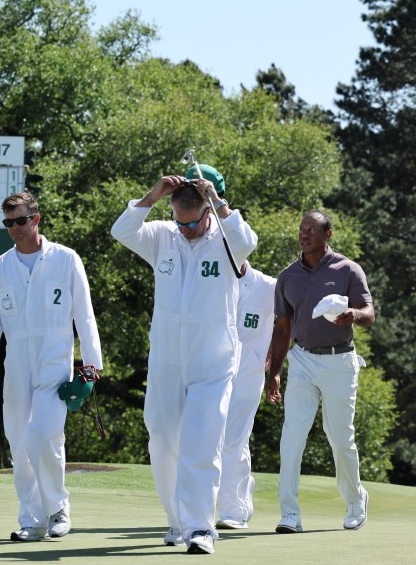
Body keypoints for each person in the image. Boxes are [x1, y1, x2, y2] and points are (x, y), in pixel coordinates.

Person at [110, 165, 257, 555]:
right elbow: (121, 231)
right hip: (167, 360)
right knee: (161, 436)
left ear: (207, 210)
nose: (185, 230)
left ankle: (200, 529)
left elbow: (248, 242)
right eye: (180, 222)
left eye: (192, 224)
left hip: (213, 360)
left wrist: (221, 204)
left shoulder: (227, 238)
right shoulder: (163, 236)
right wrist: (152, 197)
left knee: (202, 443)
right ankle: (176, 521)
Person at [0, 191, 103, 542]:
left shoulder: (66, 259)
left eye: (20, 220)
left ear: (36, 219)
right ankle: (32, 519)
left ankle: (58, 509)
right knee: (18, 438)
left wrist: (92, 364)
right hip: (16, 364)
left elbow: (84, 315)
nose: (14, 228)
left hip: (55, 362)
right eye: (8, 223)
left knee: (44, 434)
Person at [265, 209, 375, 534]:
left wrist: (354, 314)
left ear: (327, 235)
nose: (305, 234)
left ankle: (356, 499)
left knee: (340, 438)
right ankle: (290, 515)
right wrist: (274, 371)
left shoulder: (348, 269)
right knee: (291, 438)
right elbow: (282, 328)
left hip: (340, 361)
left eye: (312, 230)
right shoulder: (287, 277)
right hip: (301, 360)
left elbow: (370, 313)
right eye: (302, 229)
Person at [215, 260, 276, 530]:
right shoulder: (211, 278)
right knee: (210, 437)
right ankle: (239, 489)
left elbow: (292, 318)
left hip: (249, 371)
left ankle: (234, 509)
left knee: (234, 438)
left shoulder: (268, 286)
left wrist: (277, 350)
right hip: (212, 369)